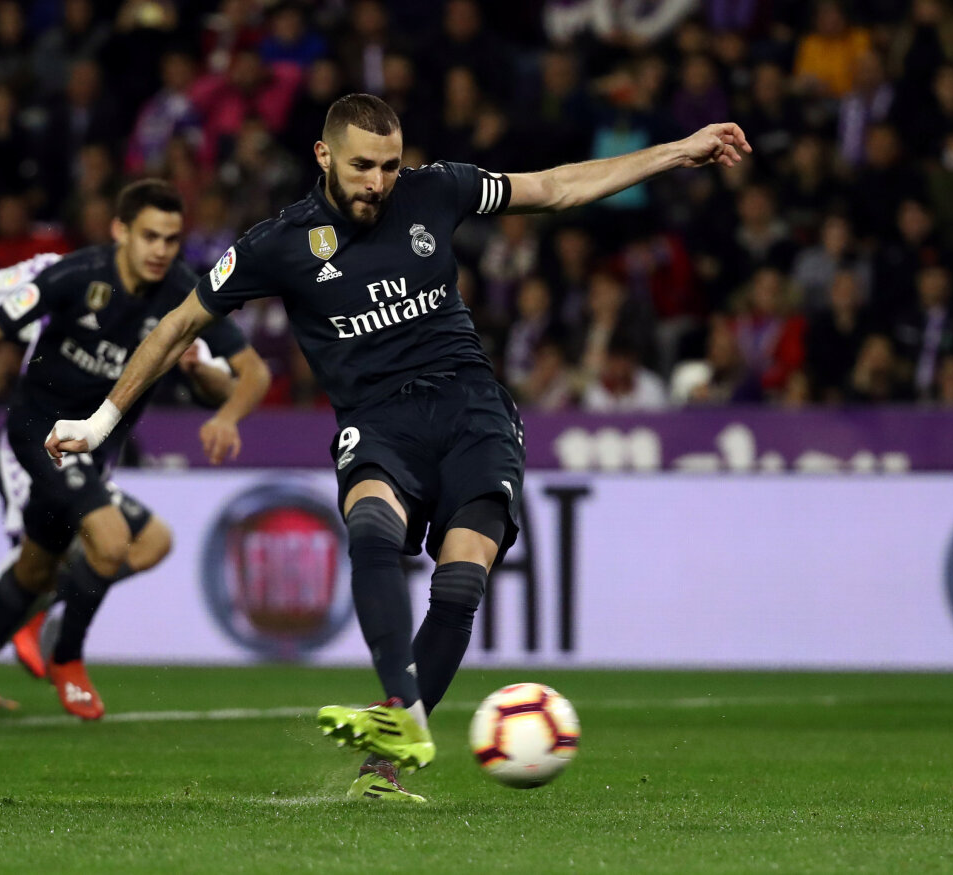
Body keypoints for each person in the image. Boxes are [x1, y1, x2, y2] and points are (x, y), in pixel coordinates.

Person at [46, 95, 750, 800]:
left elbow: (556, 186)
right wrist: (99, 423)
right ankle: (404, 708)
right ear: (324, 157)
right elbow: (175, 325)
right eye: (361, 166)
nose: (377, 182)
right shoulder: (278, 243)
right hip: (379, 420)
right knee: (372, 524)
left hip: (472, 407)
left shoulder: (436, 188)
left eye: (388, 165)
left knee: (463, 573)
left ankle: (384, 761)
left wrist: (676, 152)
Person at [0, 180, 270, 728]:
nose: (160, 249)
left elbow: (254, 374)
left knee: (40, 567)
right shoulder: (77, 274)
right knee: (109, 540)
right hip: (41, 434)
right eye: (149, 236)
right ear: (120, 231)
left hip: (93, 452)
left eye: (172, 239)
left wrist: (226, 414)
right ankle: (67, 655)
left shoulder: (183, 292)